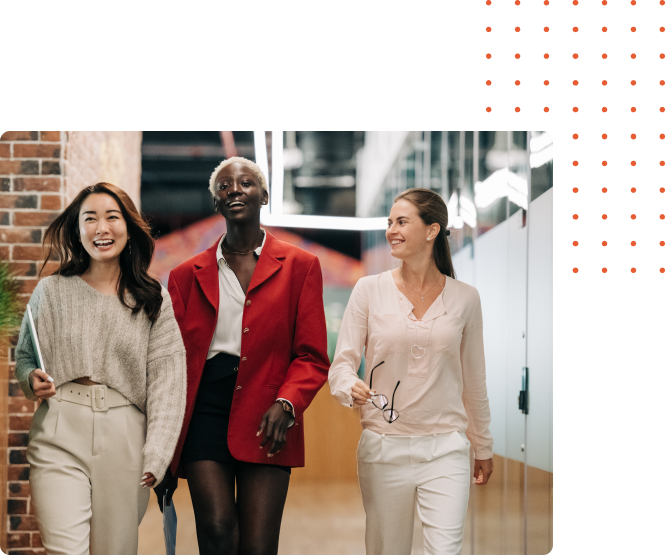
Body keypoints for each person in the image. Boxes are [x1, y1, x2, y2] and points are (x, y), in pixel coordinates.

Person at [155, 156, 329, 555]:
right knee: (216, 531)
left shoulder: (301, 266)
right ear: (216, 202)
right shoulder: (185, 275)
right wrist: (163, 443)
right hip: (203, 411)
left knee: (258, 546)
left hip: (270, 413)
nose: (235, 190)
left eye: (246, 183)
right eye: (225, 186)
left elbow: (313, 355)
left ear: (264, 196)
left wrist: (287, 403)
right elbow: (169, 363)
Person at [13, 183, 187, 555]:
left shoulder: (152, 299)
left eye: (111, 217)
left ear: (129, 226)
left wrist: (158, 452)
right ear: (77, 230)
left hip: (126, 438)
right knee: (65, 549)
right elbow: (26, 356)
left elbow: (168, 384)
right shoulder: (51, 291)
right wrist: (32, 379)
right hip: (59, 427)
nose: (100, 228)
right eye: (89, 219)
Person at [328, 188, 494, 555]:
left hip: (446, 450)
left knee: (445, 551)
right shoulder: (368, 290)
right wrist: (348, 386)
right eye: (389, 223)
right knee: (388, 550)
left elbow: (474, 379)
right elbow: (341, 365)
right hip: (383, 448)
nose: (391, 230)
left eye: (401, 222)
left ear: (432, 230)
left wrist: (482, 444)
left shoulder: (467, 298)